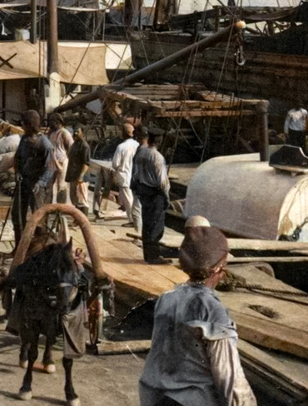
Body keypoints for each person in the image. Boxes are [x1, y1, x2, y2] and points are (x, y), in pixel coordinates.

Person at [139, 226, 256, 406]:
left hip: (157, 398)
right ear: (218, 268)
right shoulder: (213, 310)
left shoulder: (167, 298)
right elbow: (229, 379)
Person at [12, 110, 55, 245]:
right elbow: (17, 158)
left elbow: (51, 167)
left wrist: (40, 182)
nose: (22, 127)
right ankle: (19, 248)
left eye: (24, 124)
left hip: (37, 188)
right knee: (17, 215)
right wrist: (17, 172)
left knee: (38, 219)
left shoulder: (45, 144)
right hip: (23, 182)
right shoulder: (24, 140)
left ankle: (37, 250)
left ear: (30, 125)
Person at [132, 127, 171, 264]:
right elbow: (162, 182)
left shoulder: (141, 153)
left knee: (147, 223)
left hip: (143, 190)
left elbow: (135, 174)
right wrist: (167, 197)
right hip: (155, 193)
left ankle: (147, 255)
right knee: (156, 225)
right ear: (159, 141)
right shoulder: (157, 157)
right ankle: (154, 256)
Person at [112, 123, 142, 232]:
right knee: (134, 200)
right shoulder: (137, 145)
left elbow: (115, 163)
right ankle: (135, 219)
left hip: (124, 175)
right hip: (135, 175)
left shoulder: (121, 147)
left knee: (128, 200)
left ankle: (132, 220)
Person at [46, 113, 73, 204]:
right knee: (48, 186)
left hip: (62, 162)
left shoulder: (65, 133)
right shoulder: (50, 133)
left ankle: (60, 210)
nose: (50, 124)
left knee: (61, 186)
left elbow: (71, 148)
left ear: (58, 122)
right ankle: (47, 207)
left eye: (52, 122)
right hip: (51, 163)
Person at [65, 125, 91, 214]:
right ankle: (77, 218)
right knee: (74, 198)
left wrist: (81, 176)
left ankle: (83, 220)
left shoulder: (84, 146)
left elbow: (86, 163)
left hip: (80, 177)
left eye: (78, 132)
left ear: (82, 133)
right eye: (74, 132)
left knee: (82, 199)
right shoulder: (74, 144)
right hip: (73, 175)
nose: (75, 134)